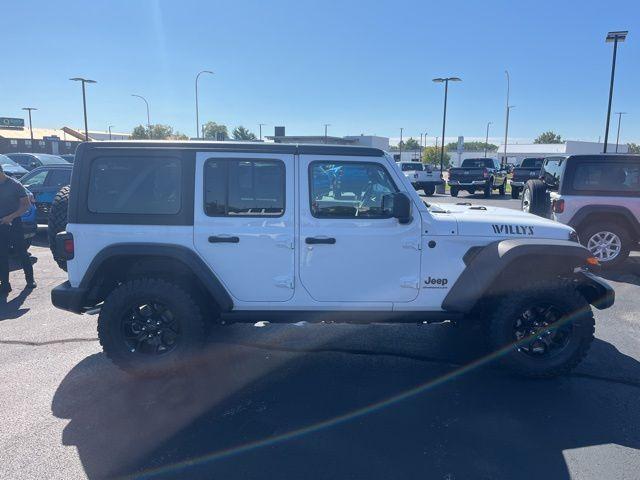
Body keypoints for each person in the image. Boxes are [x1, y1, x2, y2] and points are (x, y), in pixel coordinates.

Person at [0, 164, 35, 295]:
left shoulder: (14, 185)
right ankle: (5, 284)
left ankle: (30, 280)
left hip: (14, 223)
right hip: (0, 225)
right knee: (1, 255)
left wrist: (11, 217)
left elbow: (26, 205)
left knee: (21, 252)